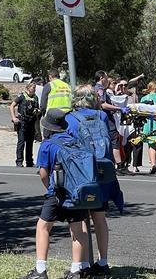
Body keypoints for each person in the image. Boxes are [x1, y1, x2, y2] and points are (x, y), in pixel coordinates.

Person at [21, 109, 90, 279]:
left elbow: (43, 173)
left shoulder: (47, 145)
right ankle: (76, 270)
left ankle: (41, 269)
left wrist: (49, 188)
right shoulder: (76, 142)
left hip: (56, 192)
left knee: (43, 227)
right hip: (76, 192)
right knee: (77, 231)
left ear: (48, 127)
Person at [65, 85, 123, 277]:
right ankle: (103, 261)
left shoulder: (70, 118)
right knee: (100, 218)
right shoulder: (102, 116)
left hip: (82, 173)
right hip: (102, 172)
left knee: (80, 219)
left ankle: (81, 263)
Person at [93, 71, 125, 173]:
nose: (107, 81)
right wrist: (119, 108)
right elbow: (103, 105)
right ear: (102, 78)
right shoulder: (100, 89)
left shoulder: (96, 89)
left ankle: (110, 165)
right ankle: (119, 166)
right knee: (114, 141)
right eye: (106, 78)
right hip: (106, 119)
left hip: (101, 119)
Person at [10, 81, 41, 167]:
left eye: (35, 88)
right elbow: (12, 105)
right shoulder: (22, 97)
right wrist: (14, 118)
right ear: (28, 88)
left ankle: (29, 162)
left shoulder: (35, 97)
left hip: (31, 122)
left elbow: (37, 109)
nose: (34, 89)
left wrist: (37, 111)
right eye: (33, 87)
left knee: (30, 142)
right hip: (22, 122)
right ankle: (19, 161)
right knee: (21, 142)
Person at [40, 69, 72, 139]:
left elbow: (42, 105)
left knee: (49, 140)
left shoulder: (49, 85)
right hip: (67, 117)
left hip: (52, 118)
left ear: (50, 76)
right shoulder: (67, 86)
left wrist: (44, 115)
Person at [33, 77, 45, 142]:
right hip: (43, 106)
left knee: (36, 123)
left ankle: (38, 137)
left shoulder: (34, 88)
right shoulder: (43, 88)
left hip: (36, 106)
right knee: (44, 121)